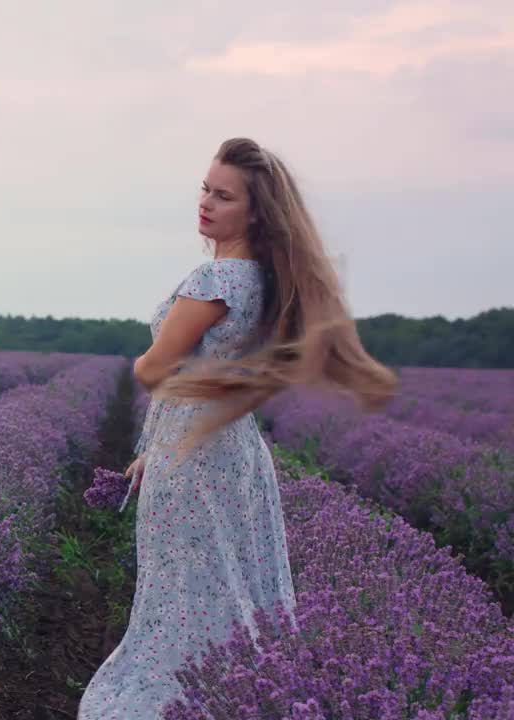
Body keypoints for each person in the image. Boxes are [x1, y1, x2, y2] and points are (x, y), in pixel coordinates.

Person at [77, 137, 399, 718]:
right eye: (206, 188)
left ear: (253, 212)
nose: (206, 203)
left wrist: (144, 366)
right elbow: (210, 377)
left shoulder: (217, 280)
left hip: (194, 464)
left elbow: (157, 368)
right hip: (232, 455)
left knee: (179, 599)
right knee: (228, 594)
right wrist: (154, 449)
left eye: (224, 196)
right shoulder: (265, 283)